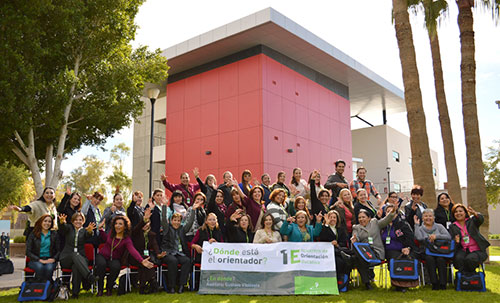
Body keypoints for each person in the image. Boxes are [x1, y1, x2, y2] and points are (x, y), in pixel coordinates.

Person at [94, 216, 154, 296]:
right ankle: (100, 290)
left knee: (116, 267)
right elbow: (106, 239)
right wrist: (101, 230)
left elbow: (132, 250)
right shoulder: (112, 233)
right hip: (102, 256)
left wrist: (141, 260)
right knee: (101, 265)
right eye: (116, 224)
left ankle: (109, 288)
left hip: (114, 259)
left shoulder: (126, 240)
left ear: (125, 226)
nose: (117, 226)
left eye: (120, 224)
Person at [351, 207, 396, 290]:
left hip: (376, 252)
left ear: (369, 218)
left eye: (363, 217)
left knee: (356, 259)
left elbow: (386, 220)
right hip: (364, 253)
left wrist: (392, 212)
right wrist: (354, 239)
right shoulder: (356, 227)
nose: (361, 219)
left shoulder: (375, 223)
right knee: (359, 258)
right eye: (359, 218)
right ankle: (367, 283)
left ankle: (350, 259)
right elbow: (355, 236)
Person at [160, 198, 196, 294]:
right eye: (174, 220)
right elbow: (163, 219)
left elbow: (190, 223)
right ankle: (171, 287)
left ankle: (181, 285)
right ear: (171, 221)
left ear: (180, 222)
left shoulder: (182, 229)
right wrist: (164, 206)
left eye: (178, 221)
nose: (176, 222)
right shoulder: (167, 228)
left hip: (179, 253)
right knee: (173, 261)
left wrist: (193, 210)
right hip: (168, 253)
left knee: (187, 261)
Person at [380, 204, 417, 292]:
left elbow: (410, 238)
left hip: (403, 249)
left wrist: (408, 248)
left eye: (392, 212)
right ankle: (398, 284)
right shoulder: (382, 226)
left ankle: (406, 283)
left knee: (404, 257)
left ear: (396, 214)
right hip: (388, 250)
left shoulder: (402, 224)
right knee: (395, 258)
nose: (390, 214)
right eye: (388, 212)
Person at [58, 213, 96, 298]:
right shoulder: (69, 229)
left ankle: (75, 293)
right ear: (72, 221)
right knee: (74, 254)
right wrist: (62, 223)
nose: (78, 222)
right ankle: (89, 276)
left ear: (83, 221)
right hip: (66, 258)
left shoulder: (84, 231)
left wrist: (90, 231)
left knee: (76, 267)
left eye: (80, 220)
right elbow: (63, 228)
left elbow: (88, 235)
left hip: (81, 260)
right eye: (76, 220)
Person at [414, 209, 451, 290]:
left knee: (441, 259)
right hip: (426, 252)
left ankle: (443, 283)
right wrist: (416, 225)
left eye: (430, 216)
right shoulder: (420, 228)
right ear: (422, 218)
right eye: (426, 216)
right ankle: (434, 283)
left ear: (434, 218)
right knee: (429, 259)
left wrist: (436, 237)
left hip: (440, 251)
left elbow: (448, 237)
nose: (428, 218)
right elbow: (419, 238)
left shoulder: (440, 226)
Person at [130, 208, 163, 294]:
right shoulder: (136, 232)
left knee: (145, 264)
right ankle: (153, 282)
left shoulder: (151, 234)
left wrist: (158, 254)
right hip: (134, 256)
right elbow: (139, 226)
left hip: (145, 257)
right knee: (147, 261)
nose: (145, 225)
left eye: (147, 223)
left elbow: (155, 245)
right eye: (144, 223)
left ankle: (143, 287)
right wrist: (144, 219)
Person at [449, 204, 490, 274]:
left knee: (470, 259)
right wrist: (456, 241)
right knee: (458, 259)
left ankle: (470, 277)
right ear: (453, 214)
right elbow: (453, 241)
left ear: (465, 213)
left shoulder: (472, 221)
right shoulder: (452, 226)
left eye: (460, 211)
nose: (458, 213)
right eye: (456, 212)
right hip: (463, 249)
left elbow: (480, 219)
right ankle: (463, 279)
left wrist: (475, 213)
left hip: (477, 250)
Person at [25, 215, 60, 282]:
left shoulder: (54, 234)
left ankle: (47, 286)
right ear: (41, 222)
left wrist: (54, 259)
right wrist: (39, 260)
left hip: (50, 259)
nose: (47, 223)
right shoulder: (33, 234)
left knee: (48, 268)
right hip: (35, 260)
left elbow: (58, 250)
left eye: (49, 221)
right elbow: (28, 251)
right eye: (45, 221)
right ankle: (39, 286)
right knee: (40, 267)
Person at [319, 210, 350, 283]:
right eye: (331, 217)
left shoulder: (341, 229)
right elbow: (322, 238)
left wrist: (337, 244)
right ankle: (337, 280)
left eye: (334, 217)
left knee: (345, 261)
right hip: (327, 252)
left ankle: (343, 281)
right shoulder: (324, 228)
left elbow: (344, 241)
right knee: (338, 261)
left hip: (339, 250)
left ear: (337, 219)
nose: (332, 219)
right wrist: (326, 224)